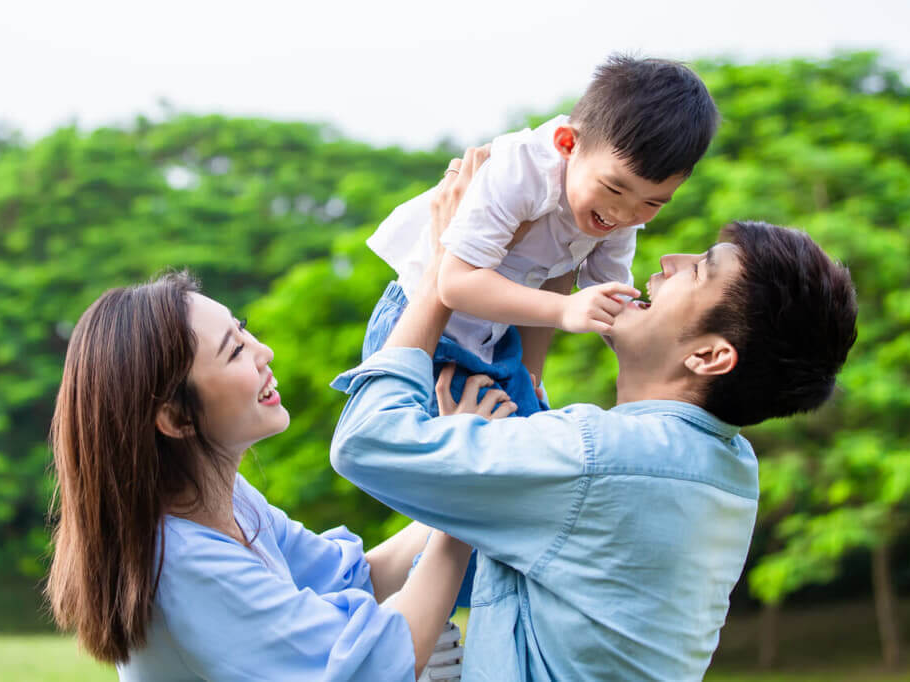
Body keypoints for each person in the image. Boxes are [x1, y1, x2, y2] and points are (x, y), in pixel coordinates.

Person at [330, 149, 859, 680]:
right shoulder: (725, 466)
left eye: (698, 271)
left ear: (709, 356)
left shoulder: (602, 458)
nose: (667, 262)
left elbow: (367, 442)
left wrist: (444, 269)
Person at [44, 268, 511, 680]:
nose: (262, 351)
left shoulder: (227, 503)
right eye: (233, 352)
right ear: (176, 418)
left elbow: (354, 576)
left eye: (242, 331)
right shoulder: (184, 568)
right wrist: (461, 488)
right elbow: (375, 665)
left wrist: (457, 459)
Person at [363, 54, 719, 416]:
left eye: (653, 202)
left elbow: (609, 295)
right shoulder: (521, 171)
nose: (624, 214)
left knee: (528, 425)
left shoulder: (617, 210)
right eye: (613, 189)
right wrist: (565, 310)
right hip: (424, 329)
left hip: (496, 339)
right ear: (568, 144)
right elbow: (454, 283)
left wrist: (671, 342)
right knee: (442, 444)